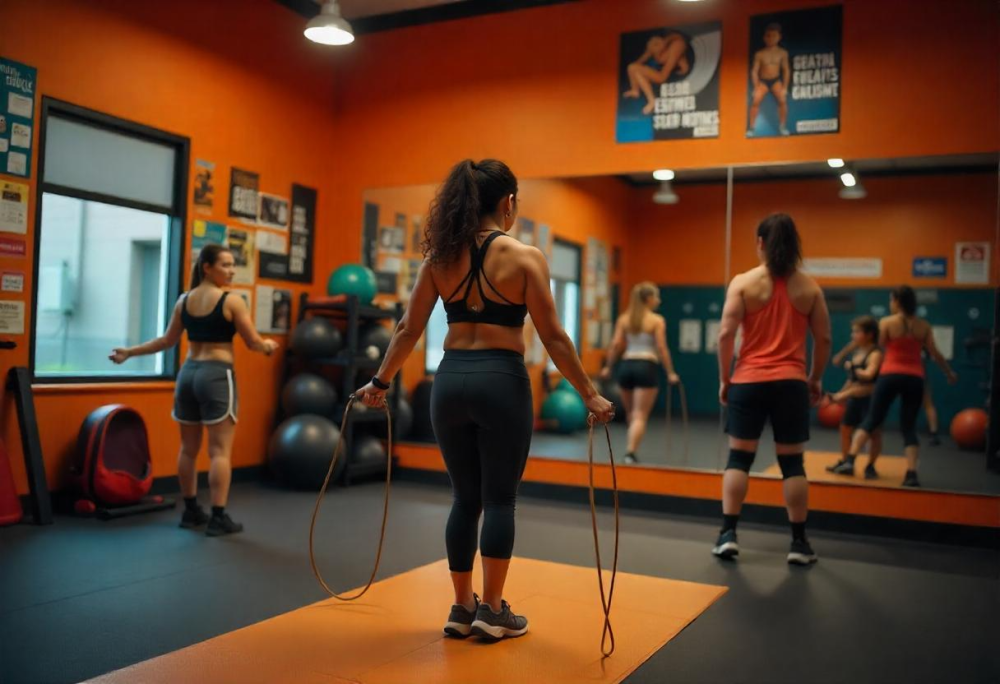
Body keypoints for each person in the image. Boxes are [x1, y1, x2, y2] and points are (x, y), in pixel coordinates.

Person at [354, 159, 614, 642]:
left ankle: (461, 606)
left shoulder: (439, 259)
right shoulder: (525, 257)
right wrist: (590, 395)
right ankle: (493, 611)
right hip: (502, 382)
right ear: (507, 202)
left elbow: (409, 328)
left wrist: (380, 382)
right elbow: (554, 338)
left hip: (450, 383)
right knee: (499, 500)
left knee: (464, 499)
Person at [109, 245, 278, 536]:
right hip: (216, 375)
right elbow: (253, 342)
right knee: (220, 452)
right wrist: (268, 346)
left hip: (188, 376)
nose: (232, 270)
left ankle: (190, 511)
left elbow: (165, 341)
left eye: (232, 264)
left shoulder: (184, 301)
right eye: (225, 265)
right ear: (207, 268)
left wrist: (129, 352)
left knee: (188, 449)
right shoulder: (232, 301)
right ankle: (218, 517)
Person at [714, 213, 831, 565]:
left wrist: (725, 378)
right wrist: (814, 377)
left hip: (748, 381)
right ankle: (799, 543)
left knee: (739, 459)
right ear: (795, 245)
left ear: (761, 243)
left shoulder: (743, 283)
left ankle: (728, 534)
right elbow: (824, 338)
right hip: (791, 383)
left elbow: (724, 335)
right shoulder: (809, 288)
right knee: (792, 464)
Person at [839, 287, 957, 487]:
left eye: (891, 300)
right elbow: (935, 353)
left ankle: (850, 461)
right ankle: (911, 474)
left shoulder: (887, 322)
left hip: (890, 375)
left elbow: (877, 346)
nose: (890, 303)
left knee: (871, 419)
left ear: (896, 301)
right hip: (914, 377)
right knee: (908, 427)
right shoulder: (923, 326)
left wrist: (853, 360)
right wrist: (948, 372)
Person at [600, 282, 680, 464]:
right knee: (639, 415)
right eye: (656, 296)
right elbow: (661, 347)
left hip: (626, 366)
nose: (658, 300)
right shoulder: (656, 320)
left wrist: (608, 367)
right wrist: (670, 372)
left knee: (631, 415)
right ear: (649, 299)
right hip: (646, 366)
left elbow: (615, 345)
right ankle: (630, 452)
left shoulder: (624, 319)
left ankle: (630, 447)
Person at [826, 316, 884, 478]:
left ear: (869, 334)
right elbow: (852, 380)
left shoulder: (875, 354)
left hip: (871, 399)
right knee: (845, 429)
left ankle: (871, 466)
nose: (853, 335)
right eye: (853, 332)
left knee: (874, 434)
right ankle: (846, 462)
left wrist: (853, 368)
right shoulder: (858, 353)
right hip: (855, 398)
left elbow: (869, 374)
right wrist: (840, 394)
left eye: (857, 332)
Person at [622, 32, 691, 115]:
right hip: (670, 63)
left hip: (665, 74)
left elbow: (664, 75)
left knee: (637, 72)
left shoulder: (676, 47)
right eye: (652, 49)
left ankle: (652, 101)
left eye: (657, 48)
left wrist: (644, 72)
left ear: (663, 46)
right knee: (631, 67)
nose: (654, 52)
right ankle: (635, 90)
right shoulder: (653, 47)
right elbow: (640, 61)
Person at [747, 23, 791, 136]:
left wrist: (785, 87)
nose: (771, 38)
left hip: (776, 80)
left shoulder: (782, 53)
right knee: (755, 101)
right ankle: (751, 128)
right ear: (764, 37)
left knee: (782, 100)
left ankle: (782, 127)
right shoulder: (759, 54)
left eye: (774, 35)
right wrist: (756, 87)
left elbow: (786, 70)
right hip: (763, 82)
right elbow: (754, 71)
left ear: (779, 37)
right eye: (768, 35)